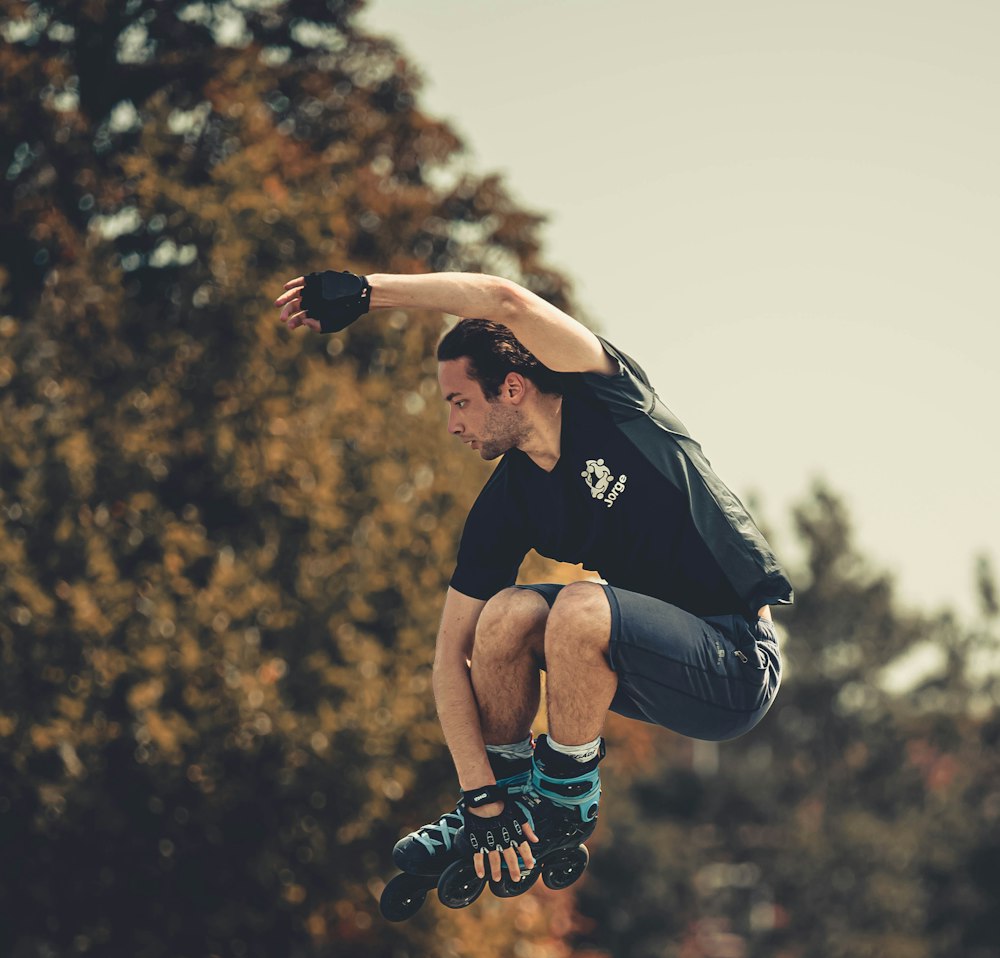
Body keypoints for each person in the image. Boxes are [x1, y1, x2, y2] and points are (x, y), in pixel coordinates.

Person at [275, 268, 792, 910]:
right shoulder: (509, 503)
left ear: (512, 387)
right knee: (507, 615)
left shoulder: (610, 399)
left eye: (459, 402)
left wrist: (368, 292)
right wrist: (480, 796)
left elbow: (505, 301)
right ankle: (517, 797)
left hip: (733, 663)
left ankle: (565, 803)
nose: (452, 426)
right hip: (640, 661)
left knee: (575, 604)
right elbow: (449, 659)